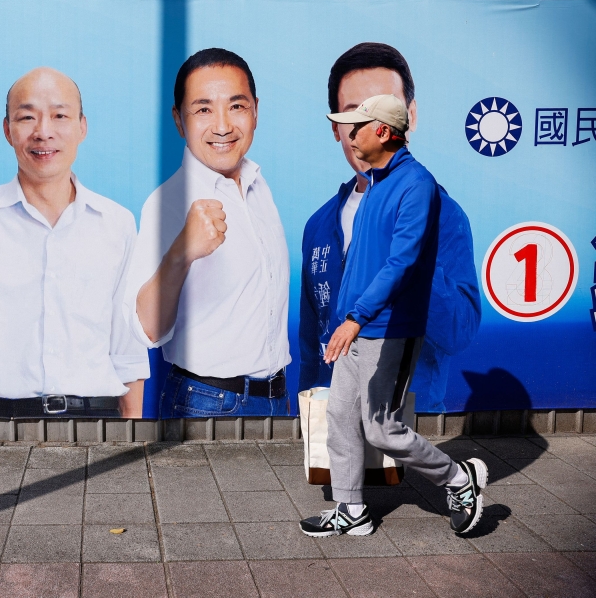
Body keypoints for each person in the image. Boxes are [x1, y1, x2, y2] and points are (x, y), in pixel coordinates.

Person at [0, 67, 149, 418]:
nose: (43, 132)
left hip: (97, 420)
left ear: (82, 127)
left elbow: (128, 351)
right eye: (27, 117)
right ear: (8, 130)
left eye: (59, 116)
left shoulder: (116, 222)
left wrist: (131, 439)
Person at [299, 94, 487, 538]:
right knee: (342, 418)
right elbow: (363, 262)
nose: (349, 134)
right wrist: (344, 319)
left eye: (357, 127)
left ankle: (459, 479)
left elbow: (401, 263)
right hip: (355, 327)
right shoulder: (375, 183)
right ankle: (352, 510)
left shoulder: (417, 185)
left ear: (383, 132)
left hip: (389, 329)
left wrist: (356, 317)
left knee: (381, 429)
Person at [299, 42, 481, 412]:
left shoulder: (443, 214)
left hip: (409, 419)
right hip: (334, 419)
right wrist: (308, 411)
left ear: (410, 116)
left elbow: (458, 332)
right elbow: (309, 342)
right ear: (337, 128)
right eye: (354, 115)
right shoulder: (318, 225)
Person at [125, 48, 290, 418]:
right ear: (179, 120)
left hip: (277, 397)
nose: (222, 125)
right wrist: (181, 252)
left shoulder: (258, 187)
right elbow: (146, 331)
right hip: (207, 403)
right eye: (203, 109)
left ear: (255, 111)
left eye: (236, 106)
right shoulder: (168, 202)